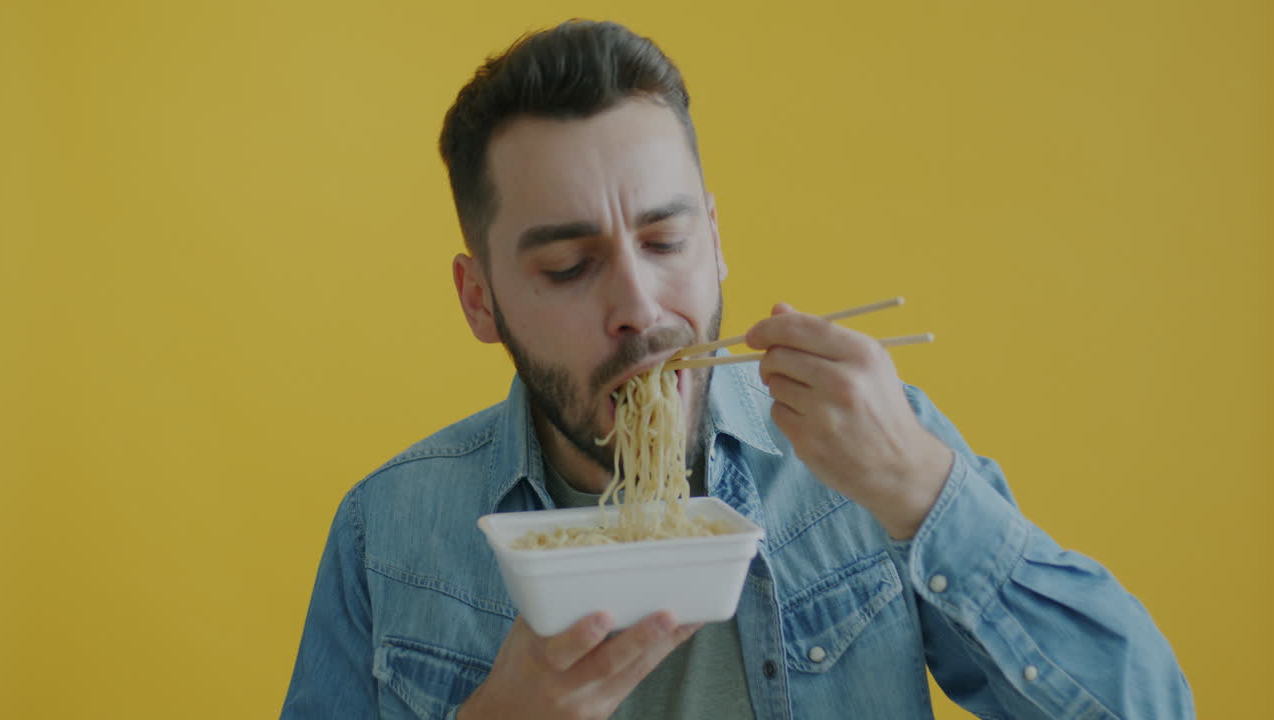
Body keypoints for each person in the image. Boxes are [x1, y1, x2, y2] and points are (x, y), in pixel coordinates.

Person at [280, 20, 1192, 720]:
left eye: (666, 239)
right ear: (479, 300)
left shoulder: (872, 461)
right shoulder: (387, 531)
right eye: (568, 267)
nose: (638, 306)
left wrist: (921, 490)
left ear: (716, 241)